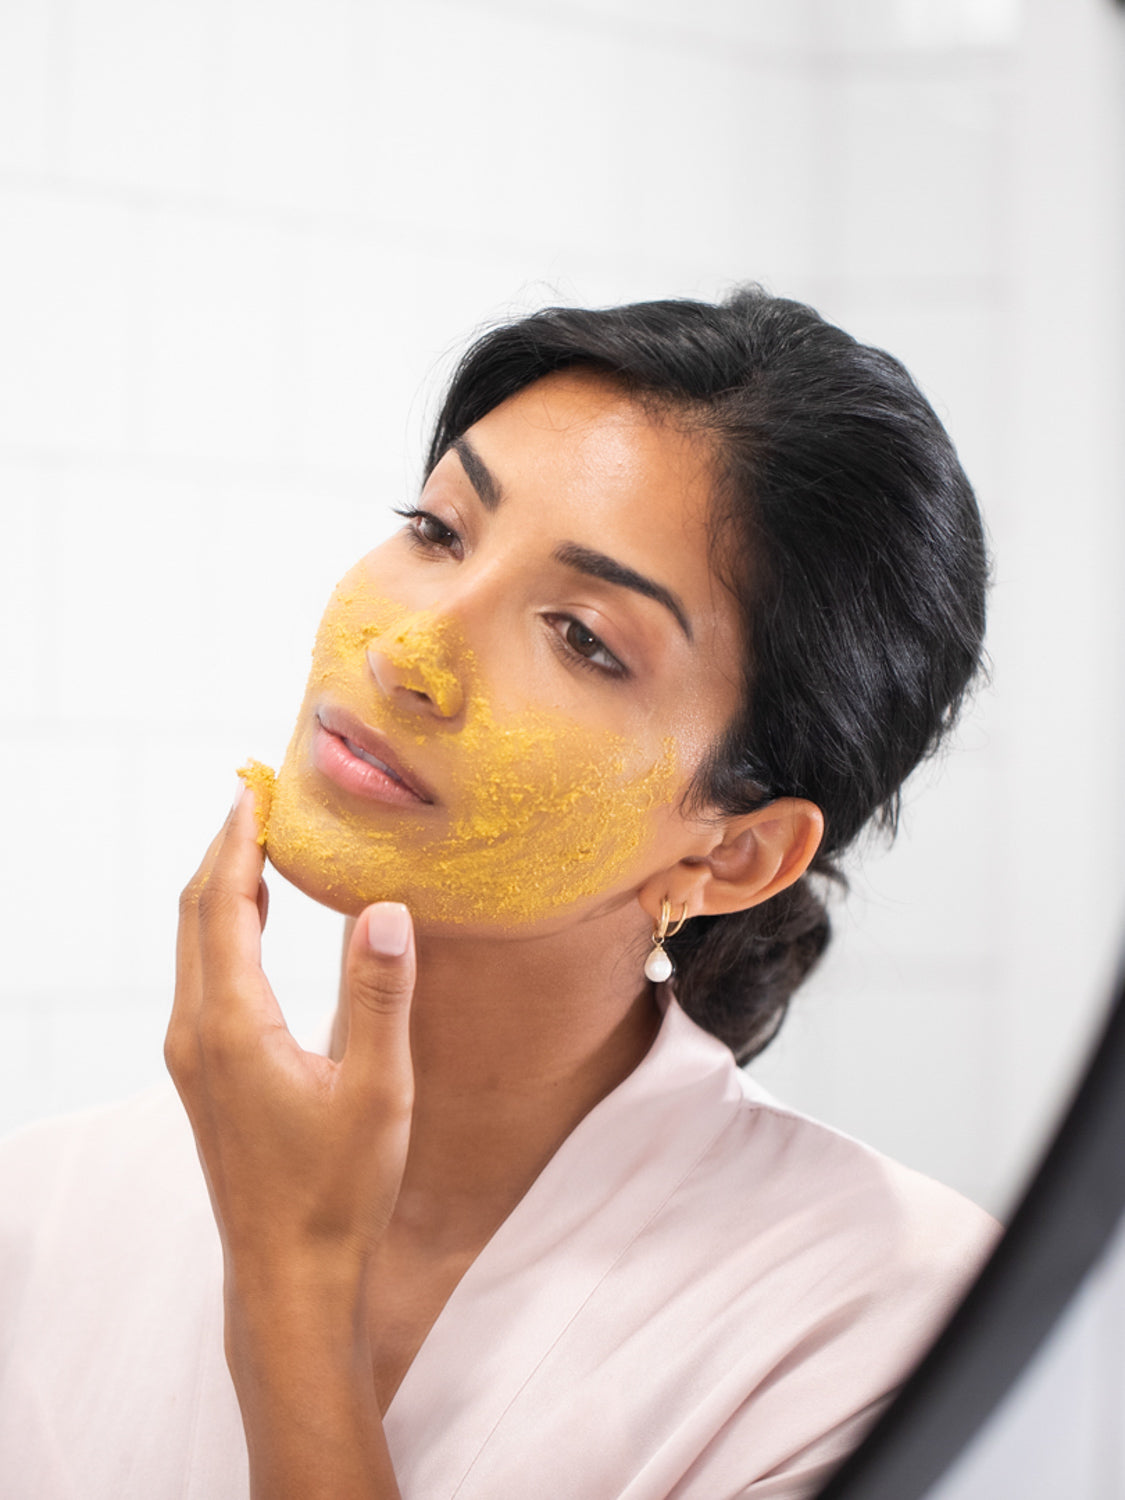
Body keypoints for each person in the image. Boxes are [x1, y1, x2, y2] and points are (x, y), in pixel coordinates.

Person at [0, 287, 999, 1499]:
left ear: (734, 853)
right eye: (437, 530)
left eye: (582, 635)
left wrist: (295, 1296)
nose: (408, 653)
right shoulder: (39, 1217)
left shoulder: (888, 1327)